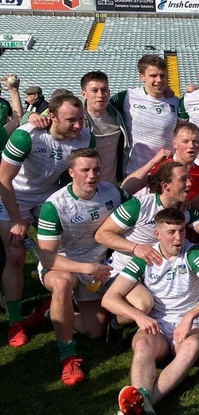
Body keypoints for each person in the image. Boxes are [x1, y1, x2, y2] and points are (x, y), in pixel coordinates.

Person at [104, 208, 199, 415]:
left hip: (190, 325)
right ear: (157, 234)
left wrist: (190, 316)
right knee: (142, 345)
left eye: (182, 231)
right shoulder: (145, 257)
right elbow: (109, 298)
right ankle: (144, 406)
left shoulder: (192, 253)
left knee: (191, 347)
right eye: (171, 232)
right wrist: (138, 315)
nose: (178, 238)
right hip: (157, 325)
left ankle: (142, 404)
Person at [0, 94, 95, 347]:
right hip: (15, 195)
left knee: (64, 249)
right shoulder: (26, 136)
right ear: (51, 116)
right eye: (71, 120)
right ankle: (16, 321)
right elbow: (3, 179)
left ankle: (59, 301)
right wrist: (17, 219)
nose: (78, 125)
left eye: (81, 119)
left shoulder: (85, 138)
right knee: (15, 254)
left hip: (48, 196)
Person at [35, 149, 134, 385]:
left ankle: (51, 311)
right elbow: (48, 258)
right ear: (71, 173)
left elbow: (137, 204)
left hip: (98, 267)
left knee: (95, 331)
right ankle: (68, 356)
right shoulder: (55, 205)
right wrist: (86, 268)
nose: (92, 175)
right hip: (62, 266)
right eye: (85, 170)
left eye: (96, 169)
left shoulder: (112, 192)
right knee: (62, 283)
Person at [94, 160, 199, 343]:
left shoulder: (181, 209)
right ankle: (116, 324)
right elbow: (102, 235)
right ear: (166, 186)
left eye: (189, 179)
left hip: (154, 273)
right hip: (123, 270)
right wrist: (135, 247)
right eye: (183, 180)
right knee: (144, 304)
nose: (189, 184)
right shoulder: (138, 206)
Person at [108, 55, 179, 177]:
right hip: (135, 172)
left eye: (162, 75)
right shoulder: (127, 97)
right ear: (142, 76)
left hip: (166, 172)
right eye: (153, 76)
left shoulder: (176, 101)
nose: (159, 80)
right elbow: (103, 108)